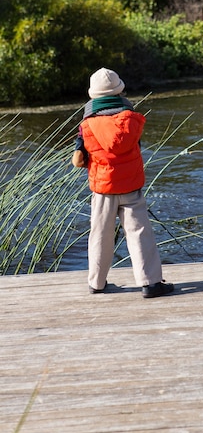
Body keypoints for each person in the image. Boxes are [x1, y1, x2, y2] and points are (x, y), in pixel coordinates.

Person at [71, 67, 174, 298]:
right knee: (140, 233)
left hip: (102, 189)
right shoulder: (132, 121)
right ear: (119, 91)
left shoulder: (86, 126)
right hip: (131, 187)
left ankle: (96, 283)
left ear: (93, 95)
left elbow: (77, 161)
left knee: (100, 234)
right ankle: (150, 283)